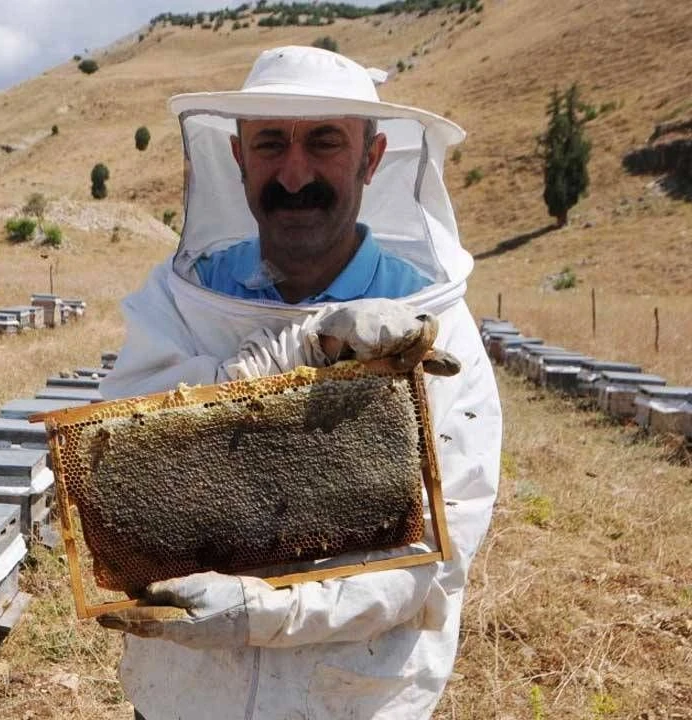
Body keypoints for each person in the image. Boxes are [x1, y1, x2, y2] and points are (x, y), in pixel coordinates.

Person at [96, 46, 502, 719]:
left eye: (323, 142)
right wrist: (301, 349)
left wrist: (266, 611)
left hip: (349, 699)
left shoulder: (434, 324)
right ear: (237, 156)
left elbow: (434, 547)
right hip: (186, 696)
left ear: (370, 159)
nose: (293, 172)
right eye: (271, 143)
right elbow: (116, 460)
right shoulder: (178, 303)